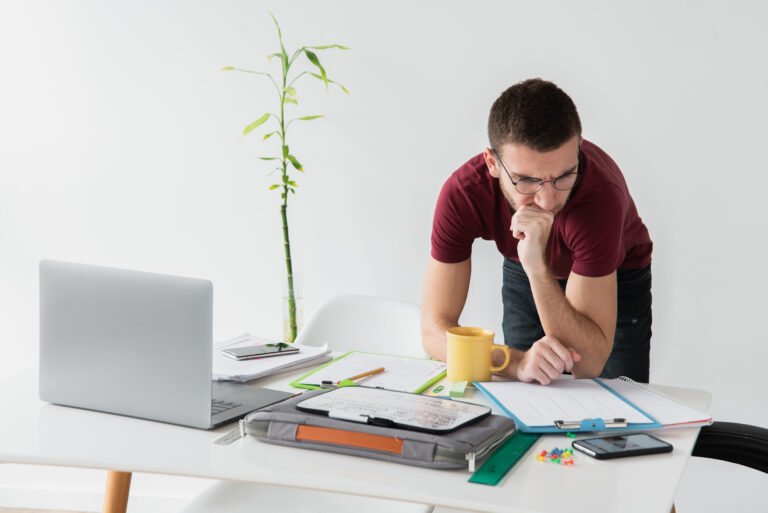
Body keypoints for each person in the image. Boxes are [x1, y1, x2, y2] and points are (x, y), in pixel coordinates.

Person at [422, 78, 653, 384]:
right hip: (524, 262)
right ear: (491, 163)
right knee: (529, 390)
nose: (547, 201)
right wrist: (515, 363)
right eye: (526, 180)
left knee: (616, 410)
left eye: (564, 176)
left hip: (615, 274)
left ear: (579, 150)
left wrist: (537, 268)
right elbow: (434, 332)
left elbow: (589, 364)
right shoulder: (463, 195)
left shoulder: (599, 198)